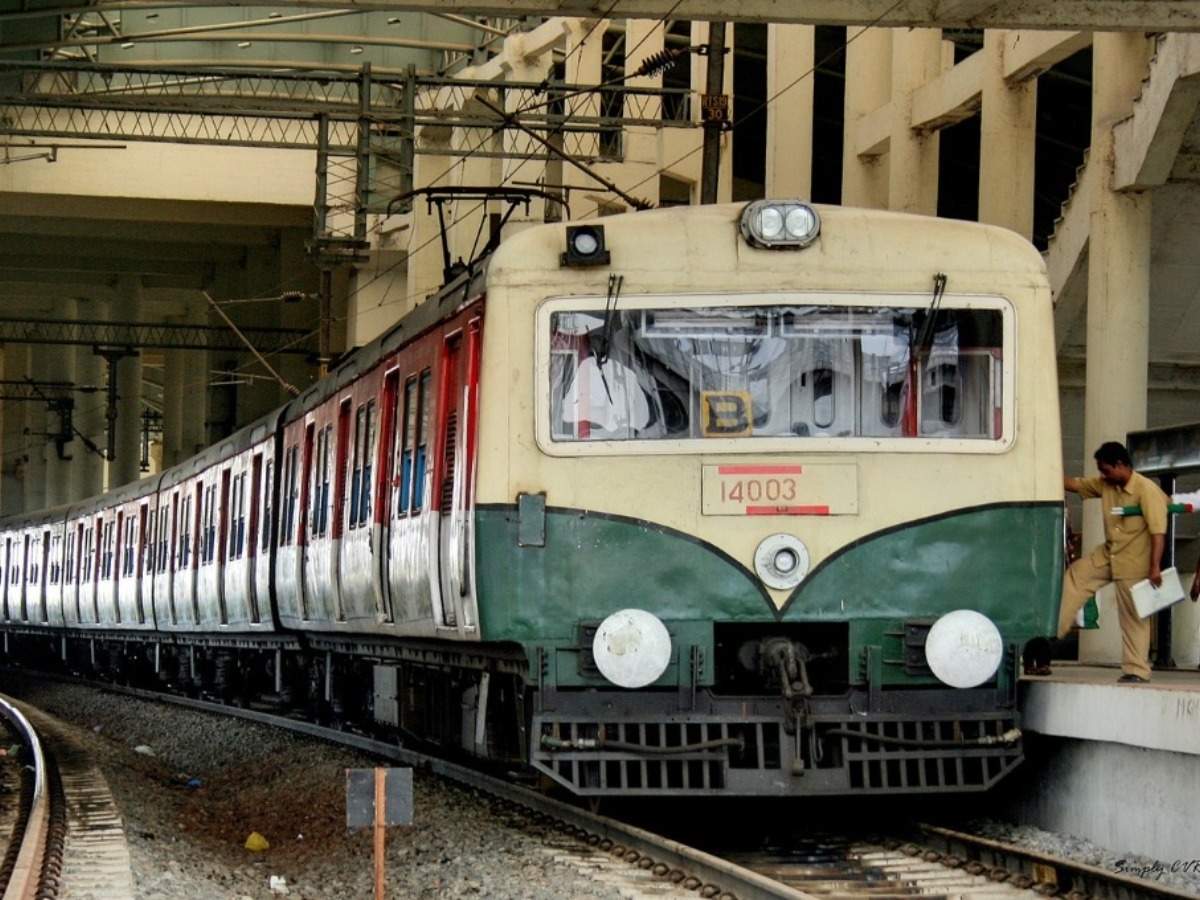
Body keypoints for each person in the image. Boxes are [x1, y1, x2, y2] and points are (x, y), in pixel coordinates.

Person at [1059, 441, 1168, 683]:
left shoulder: (1146, 490)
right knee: (1076, 576)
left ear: (1120, 465)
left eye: (1106, 469)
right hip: (1109, 555)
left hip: (1135, 562)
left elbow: (1158, 532)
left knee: (1134, 617)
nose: (1102, 475)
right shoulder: (1107, 484)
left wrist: (1154, 567)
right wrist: (1045, 472)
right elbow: (1076, 485)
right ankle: (1055, 630)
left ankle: (1136, 670)